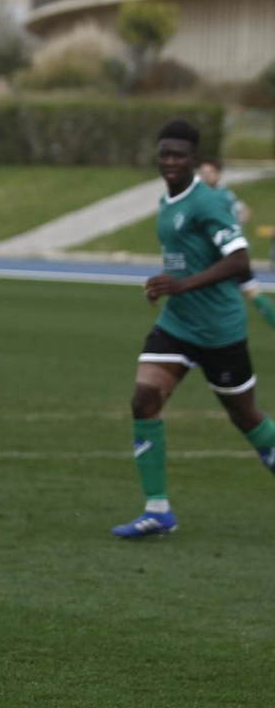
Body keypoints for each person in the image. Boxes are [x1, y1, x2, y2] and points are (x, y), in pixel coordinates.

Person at [113, 122, 275, 538]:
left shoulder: (209, 203)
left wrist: (183, 283)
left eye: (178, 155)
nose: (169, 161)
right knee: (144, 399)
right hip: (177, 323)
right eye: (164, 153)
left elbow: (240, 260)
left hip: (219, 328)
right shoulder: (167, 200)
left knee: (246, 416)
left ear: (194, 160)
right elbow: (183, 258)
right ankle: (158, 510)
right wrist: (166, 284)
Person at [199, 159, 275, 332]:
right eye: (202, 173)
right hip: (237, 251)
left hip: (225, 254)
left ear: (218, 174)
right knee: (252, 293)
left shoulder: (213, 196)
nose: (204, 177)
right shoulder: (226, 193)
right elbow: (245, 210)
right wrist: (237, 230)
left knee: (208, 292)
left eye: (208, 173)